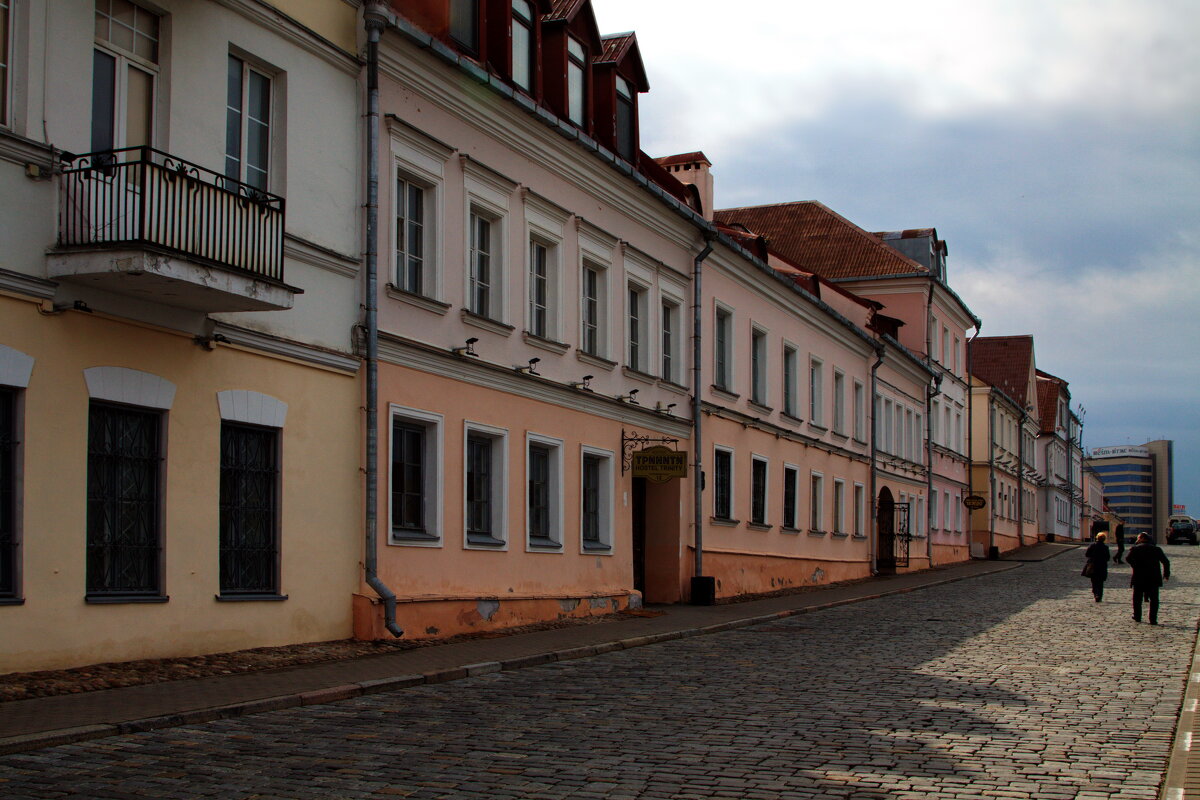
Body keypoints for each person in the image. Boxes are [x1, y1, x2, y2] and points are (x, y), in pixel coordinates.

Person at [1126, 532, 1171, 624]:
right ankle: (1153, 619)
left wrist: (1135, 566)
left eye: (1138, 538)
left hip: (1139, 577)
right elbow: (1166, 562)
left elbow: (1128, 558)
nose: (1137, 540)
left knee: (1137, 598)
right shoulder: (1156, 549)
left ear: (1142, 538)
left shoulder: (1135, 549)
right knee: (1154, 599)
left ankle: (1137, 616)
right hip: (1153, 577)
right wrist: (1166, 574)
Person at [1083, 532, 1110, 602]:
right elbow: (1108, 557)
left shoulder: (1092, 546)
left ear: (1097, 538)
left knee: (1094, 581)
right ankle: (1100, 595)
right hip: (1102, 566)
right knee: (1100, 582)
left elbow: (1087, 554)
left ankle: (1096, 593)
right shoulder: (1105, 547)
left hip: (1093, 566)